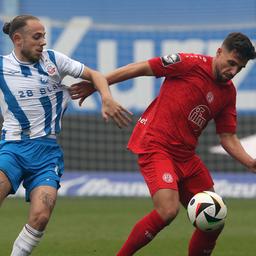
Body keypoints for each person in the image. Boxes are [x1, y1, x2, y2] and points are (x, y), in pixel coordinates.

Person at [70, 32, 256, 255]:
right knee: (167, 210)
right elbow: (141, 68)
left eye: (240, 68)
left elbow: (228, 137)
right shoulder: (189, 63)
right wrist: (99, 85)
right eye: (231, 63)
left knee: (214, 219)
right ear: (219, 52)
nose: (233, 72)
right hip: (156, 145)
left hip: (185, 155)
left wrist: (250, 162)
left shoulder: (228, 93)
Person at [0, 14, 132, 256]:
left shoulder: (54, 60)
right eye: (36, 37)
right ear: (17, 39)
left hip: (47, 154)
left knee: (40, 216)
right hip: (13, 148)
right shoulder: (2, 66)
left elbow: (96, 75)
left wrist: (107, 98)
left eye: (44, 37)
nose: (42, 42)